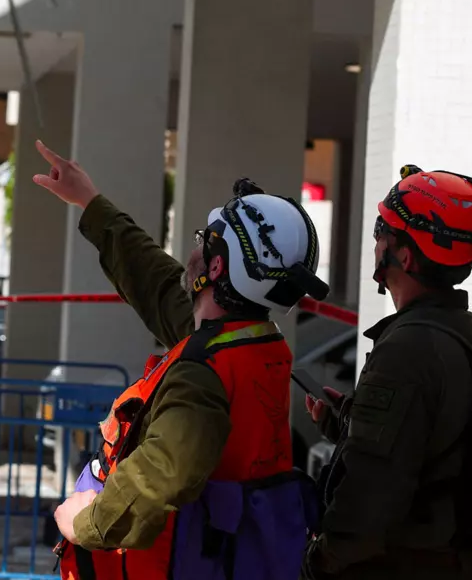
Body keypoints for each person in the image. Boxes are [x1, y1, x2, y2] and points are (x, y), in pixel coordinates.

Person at [31, 141, 328, 580]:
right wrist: (90, 202)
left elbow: (160, 476)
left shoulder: (204, 370)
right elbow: (158, 283)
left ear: (219, 268)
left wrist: (81, 521)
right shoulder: (248, 341)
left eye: (205, 242)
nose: (195, 249)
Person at [302, 165, 472, 580]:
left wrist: (314, 564)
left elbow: (368, 504)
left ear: (403, 255)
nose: (375, 241)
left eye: (380, 230)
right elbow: (441, 446)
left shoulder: (408, 350)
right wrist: (347, 423)